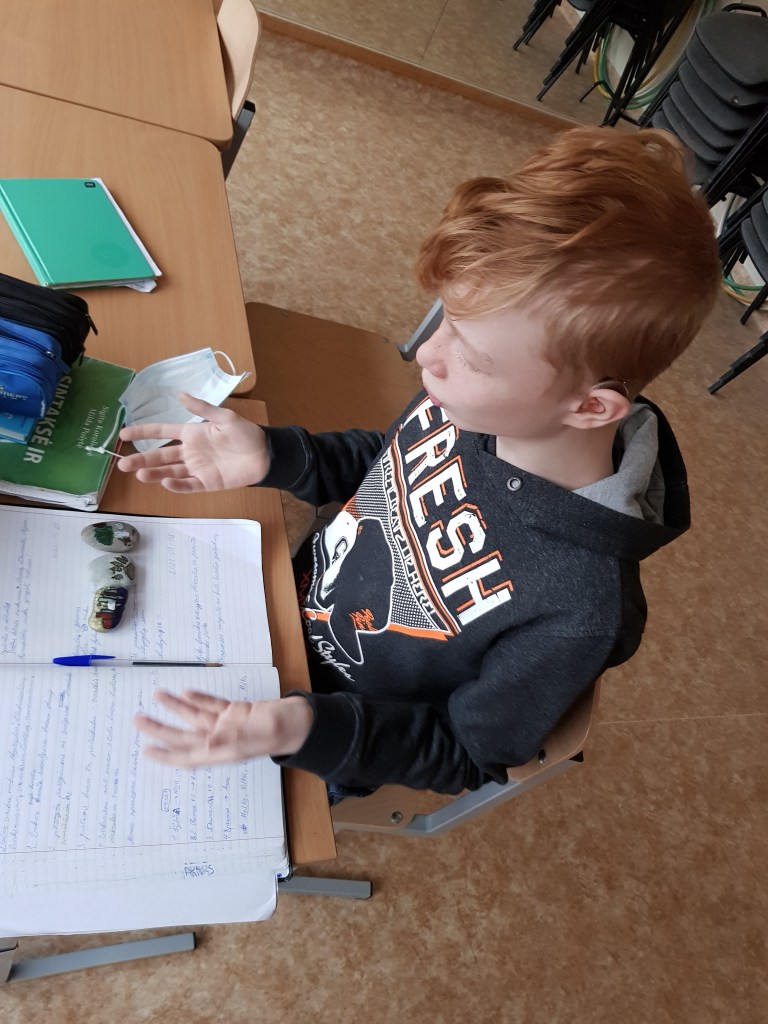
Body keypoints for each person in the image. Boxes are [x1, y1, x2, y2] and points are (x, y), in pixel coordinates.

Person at [118, 126, 721, 798]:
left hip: (320, 736)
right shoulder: (475, 404)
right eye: (445, 320)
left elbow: (465, 754)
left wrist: (302, 728)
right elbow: (388, 467)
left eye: (472, 355)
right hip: (269, 609)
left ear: (589, 408)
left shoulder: (579, 611)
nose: (428, 355)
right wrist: (276, 455)